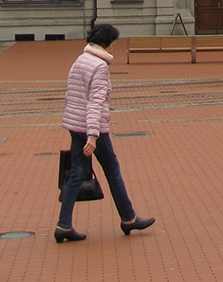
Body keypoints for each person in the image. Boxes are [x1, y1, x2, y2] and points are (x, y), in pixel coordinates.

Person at [55, 23, 154, 243]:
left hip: (76, 126)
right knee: (112, 170)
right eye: (113, 44)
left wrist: (80, 128)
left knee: (76, 175)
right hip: (94, 129)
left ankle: (63, 225)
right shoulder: (99, 67)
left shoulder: (80, 60)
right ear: (106, 43)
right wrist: (92, 135)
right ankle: (128, 218)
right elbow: (95, 103)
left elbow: (72, 96)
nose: (114, 48)